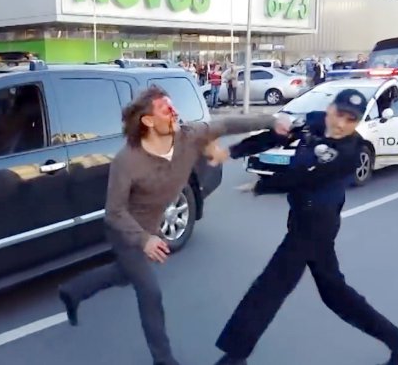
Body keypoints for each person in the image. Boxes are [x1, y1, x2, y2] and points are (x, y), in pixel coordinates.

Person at [56, 85, 289, 365]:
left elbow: (227, 123)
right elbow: (114, 212)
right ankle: (163, 360)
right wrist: (144, 240)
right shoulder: (127, 161)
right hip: (127, 232)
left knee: (123, 275)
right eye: (166, 109)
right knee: (149, 292)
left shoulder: (189, 137)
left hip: (152, 225)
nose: (175, 112)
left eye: (173, 106)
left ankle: (73, 290)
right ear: (148, 121)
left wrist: (271, 120)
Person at [208, 89, 398, 365]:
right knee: (335, 294)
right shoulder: (315, 122)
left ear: (357, 122)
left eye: (351, 119)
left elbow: (304, 178)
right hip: (304, 217)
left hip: (316, 225)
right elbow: (276, 136)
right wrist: (232, 152)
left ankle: (234, 356)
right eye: (339, 114)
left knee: (269, 287)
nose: (341, 123)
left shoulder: (349, 152)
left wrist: (261, 185)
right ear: (330, 109)